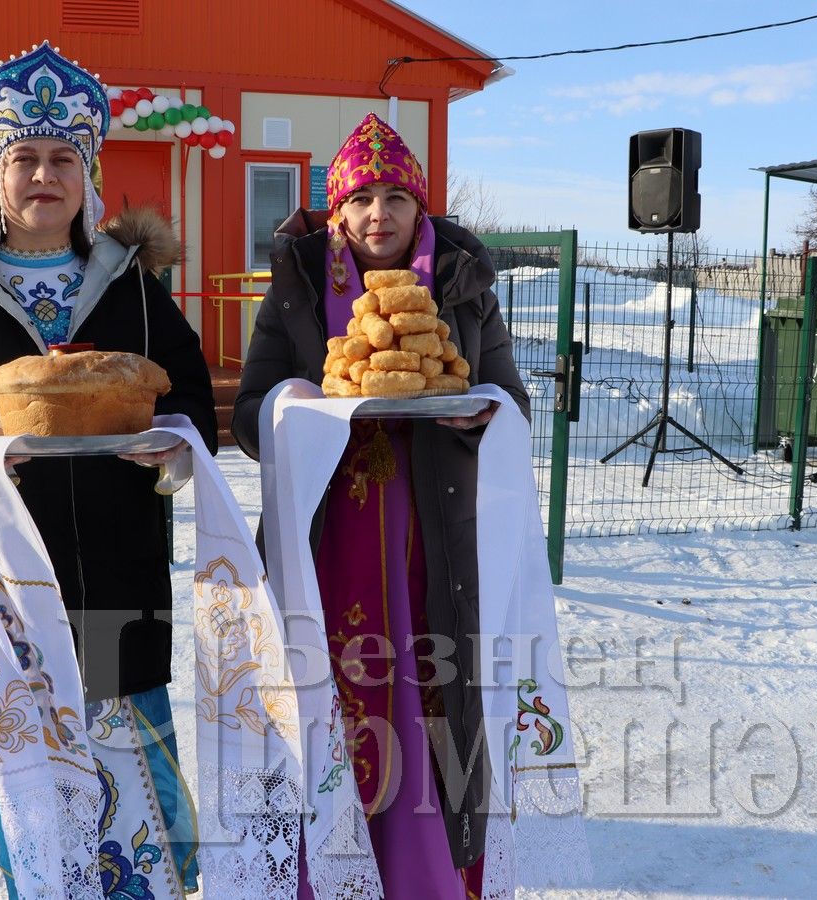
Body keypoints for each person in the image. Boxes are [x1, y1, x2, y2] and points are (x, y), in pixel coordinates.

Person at [0, 43, 215, 898]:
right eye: (23, 157)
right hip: (6, 578)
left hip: (116, 565)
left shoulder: (132, 285)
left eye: (63, 158)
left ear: (87, 174)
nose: (43, 175)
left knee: (136, 766)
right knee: (35, 771)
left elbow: (194, 410)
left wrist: (170, 443)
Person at [231, 113, 530, 897]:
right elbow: (250, 414)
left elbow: (512, 402)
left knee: (429, 692)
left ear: (420, 207)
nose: (378, 215)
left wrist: (482, 410)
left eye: (396, 197)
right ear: (337, 210)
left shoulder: (462, 284)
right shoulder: (297, 283)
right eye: (360, 198)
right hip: (326, 539)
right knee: (331, 693)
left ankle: (423, 872)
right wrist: (301, 404)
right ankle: (321, 869)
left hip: (433, 534)